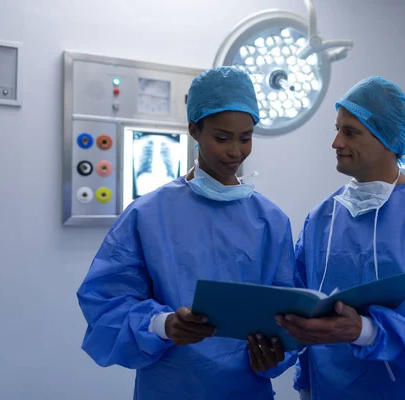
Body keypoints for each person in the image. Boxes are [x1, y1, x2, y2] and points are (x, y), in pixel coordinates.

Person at [249, 76, 405, 399]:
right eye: (336, 130)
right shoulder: (323, 218)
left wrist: (366, 330)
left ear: (388, 139)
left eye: (350, 132)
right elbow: (297, 307)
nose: (336, 143)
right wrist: (280, 354)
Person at [77, 66, 295, 400]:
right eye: (221, 138)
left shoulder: (271, 221)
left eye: (246, 138)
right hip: (170, 387)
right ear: (194, 129)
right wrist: (163, 324)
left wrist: (274, 352)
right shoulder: (147, 216)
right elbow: (106, 305)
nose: (235, 152)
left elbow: (289, 315)